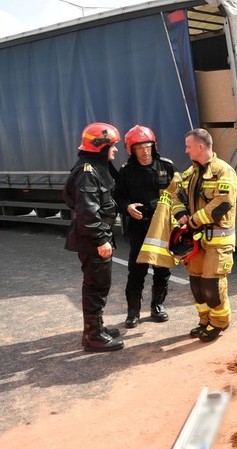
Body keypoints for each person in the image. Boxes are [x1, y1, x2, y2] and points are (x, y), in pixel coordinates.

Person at [63, 122, 125, 353]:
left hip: (95, 235)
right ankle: (92, 335)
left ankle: (96, 328)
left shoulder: (97, 167)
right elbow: (87, 212)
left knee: (99, 283)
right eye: (112, 145)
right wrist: (101, 240)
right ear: (100, 146)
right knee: (95, 285)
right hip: (92, 238)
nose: (116, 150)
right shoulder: (87, 172)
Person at [172, 128, 237, 342]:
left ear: (200, 147)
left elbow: (222, 203)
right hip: (196, 240)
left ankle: (220, 322)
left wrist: (192, 221)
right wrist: (181, 213)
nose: (185, 151)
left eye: (188, 146)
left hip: (218, 241)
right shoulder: (189, 174)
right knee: (197, 285)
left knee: (212, 285)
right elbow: (177, 197)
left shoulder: (224, 172)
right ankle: (205, 320)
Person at [114, 125, 175, 328]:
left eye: (147, 146)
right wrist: (127, 207)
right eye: (139, 147)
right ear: (131, 149)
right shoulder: (126, 172)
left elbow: (178, 194)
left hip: (162, 226)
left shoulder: (166, 167)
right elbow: (117, 197)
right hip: (139, 226)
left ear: (153, 146)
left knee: (162, 267)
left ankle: (157, 306)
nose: (144, 150)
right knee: (137, 269)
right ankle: (133, 313)